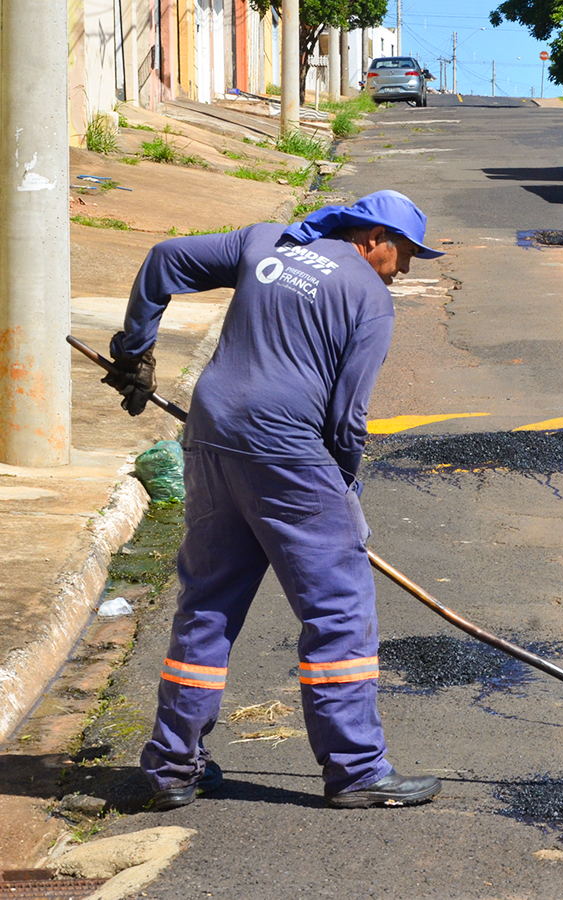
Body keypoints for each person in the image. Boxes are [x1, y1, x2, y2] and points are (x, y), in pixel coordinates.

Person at [101, 191, 447, 811]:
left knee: (207, 605)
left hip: (211, 437)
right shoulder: (369, 297)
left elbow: (162, 260)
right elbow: (348, 416)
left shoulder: (266, 242)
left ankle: (173, 765)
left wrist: (134, 353)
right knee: (339, 609)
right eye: (406, 255)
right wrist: (342, 490)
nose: (407, 269)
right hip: (289, 451)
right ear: (373, 239)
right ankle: (357, 768)